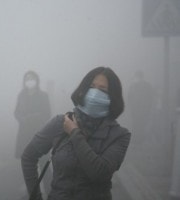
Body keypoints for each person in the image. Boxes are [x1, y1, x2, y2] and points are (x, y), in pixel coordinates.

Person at [21, 67, 131, 200]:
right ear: (83, 90)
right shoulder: (60, 122)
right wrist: (35, 197)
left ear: (112, 97)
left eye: (102, 89)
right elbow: (28, 157)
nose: (95, 93)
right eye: (91, 87)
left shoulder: (119, 135)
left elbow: (99, 173)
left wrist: (74, 132)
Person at [14, 70, 52, 196]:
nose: (29, 81)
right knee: (28, 166)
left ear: (37, 80)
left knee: (44, 164)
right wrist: (22, 118)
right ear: (24, 82)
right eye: (27, 78)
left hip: (40, 133)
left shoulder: (43, 96)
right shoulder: (22, 95)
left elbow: (48, 114)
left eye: (32, 78)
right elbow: (16, 112)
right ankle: (34, 194)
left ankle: (50, 192)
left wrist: (36, 117)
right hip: (24, 134)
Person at [127, 70, 154, 145]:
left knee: (137, 124)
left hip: (138, 110)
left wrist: (132, 106)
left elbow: (129, 98)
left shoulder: (133, 86)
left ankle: (137, 140)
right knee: (141, 124)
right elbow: (150, 98)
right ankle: (138, 140)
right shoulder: (147, 86)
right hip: (141, 110)